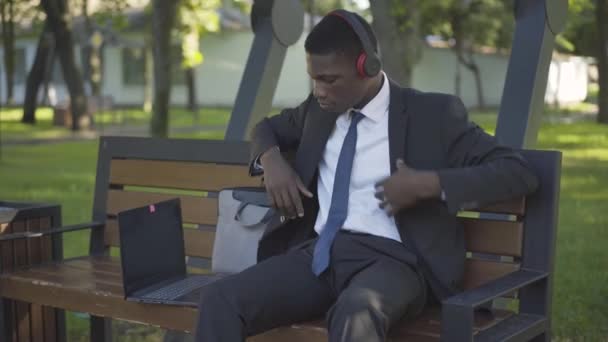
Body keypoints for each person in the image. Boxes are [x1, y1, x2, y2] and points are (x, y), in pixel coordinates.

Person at [195, 9, 538, 342]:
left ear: (367, 67)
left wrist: (428, 184)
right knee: (220, 301)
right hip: (318, 256)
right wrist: (270, 161)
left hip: (395, 263)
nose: (319, 90)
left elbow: (517, 170)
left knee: (357, 312)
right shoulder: (317, 112)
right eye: (314, 79)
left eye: (329, 80)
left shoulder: (433, 115)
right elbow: (265, 129)